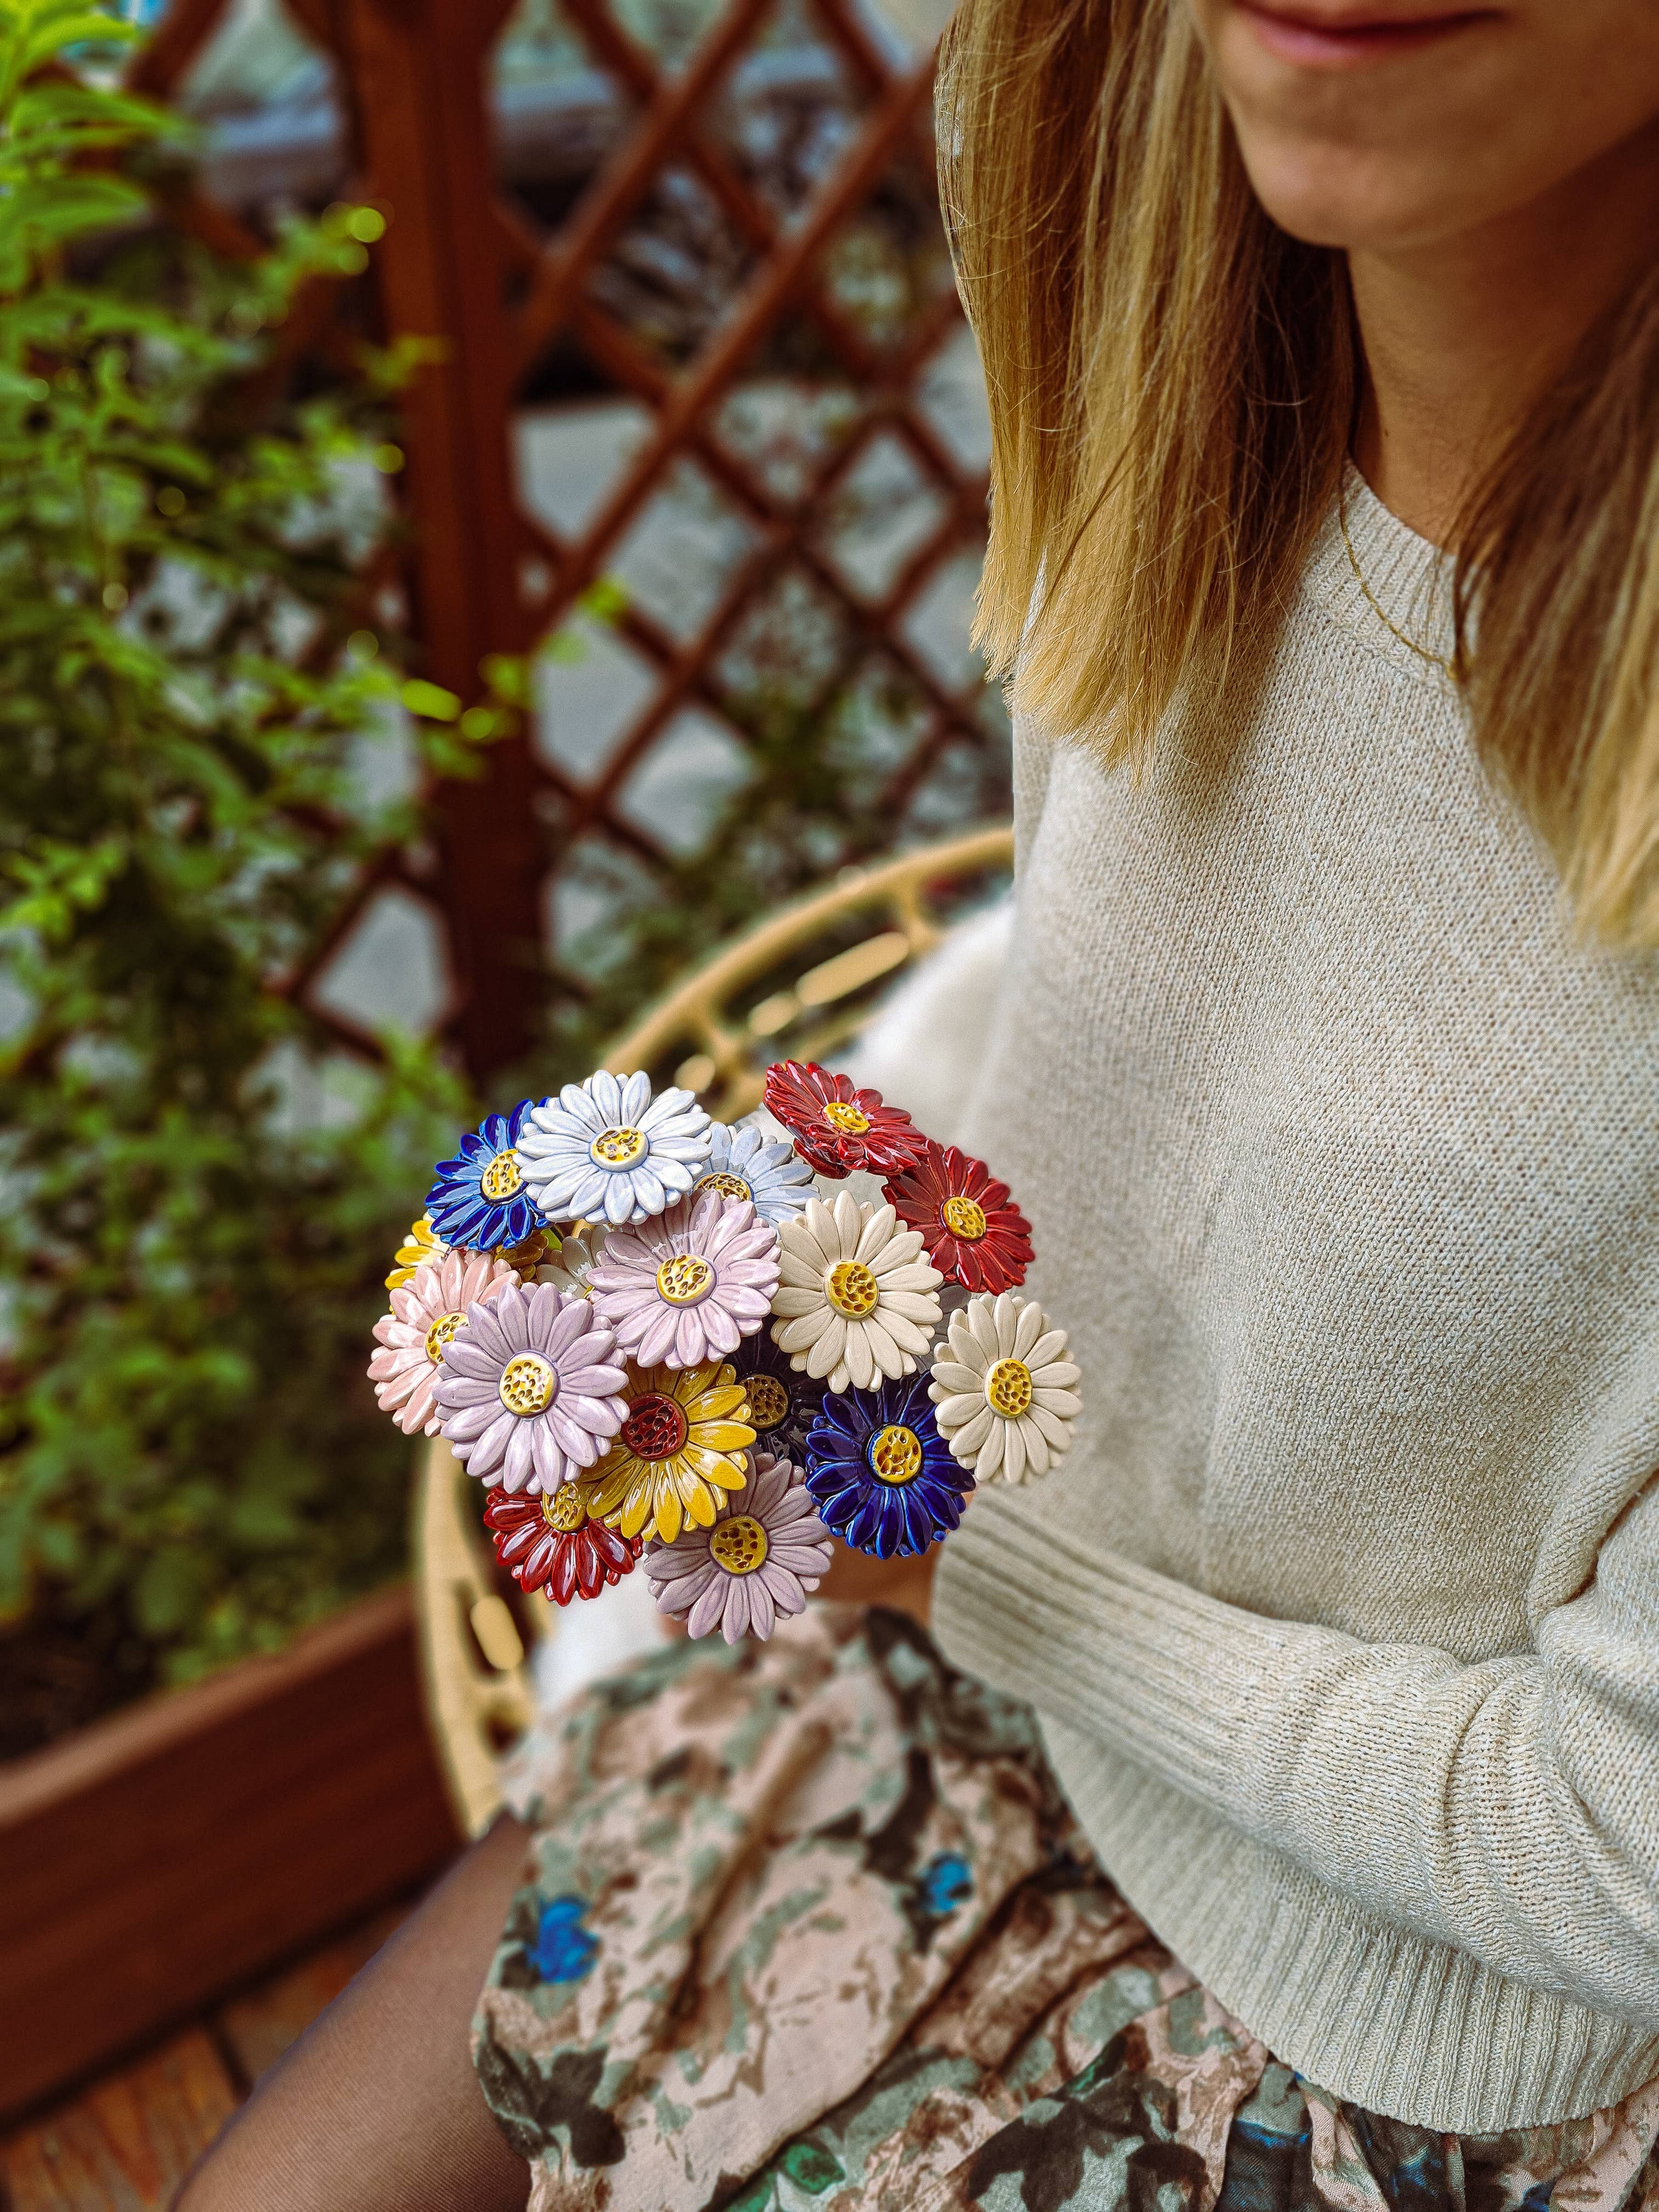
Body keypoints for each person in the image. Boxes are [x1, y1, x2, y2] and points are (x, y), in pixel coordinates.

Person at [178, 2, 1659, 2206]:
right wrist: (761, 1331)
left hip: (1434, 2023)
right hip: (981, 1659)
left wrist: (966, 1580)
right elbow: (1091, 981)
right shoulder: (1163, 320)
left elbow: (1615, 1858)